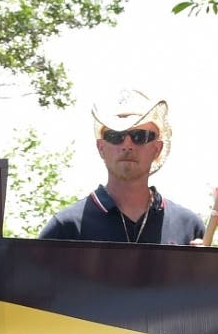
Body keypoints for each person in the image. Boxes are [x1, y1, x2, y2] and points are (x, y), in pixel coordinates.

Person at [38, 89, 205, 244]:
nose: (127, 145)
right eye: (115, 136)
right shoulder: (65, 227)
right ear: (101, 147)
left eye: (140, 136)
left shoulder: (189, 227)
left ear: (157, 149)